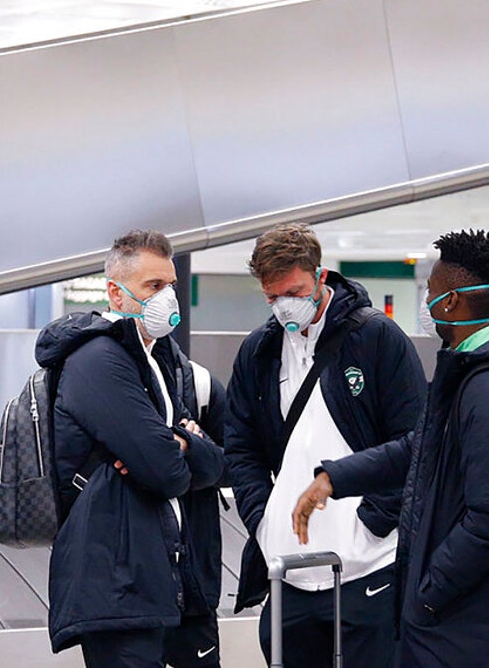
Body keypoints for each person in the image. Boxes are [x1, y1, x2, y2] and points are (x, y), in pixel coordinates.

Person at [292, 230, 489, 667]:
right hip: (480, 619)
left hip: (477, 628)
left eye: (431, 291)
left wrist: (428, 594)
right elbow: (422, 447)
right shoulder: (478, 372)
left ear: (451, 302)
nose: (426, 301)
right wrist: (337, 477)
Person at [223, 222, 426, 667]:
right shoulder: (259, 351)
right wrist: (261, 520)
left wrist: (373, 524)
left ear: (320, 276)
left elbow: (415, 441)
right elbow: (241, 448)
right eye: (272, 298)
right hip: (288, 574)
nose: (283, 306)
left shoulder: (376, 338)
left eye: (293, 292)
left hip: (368, 568)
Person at [38, 230, 226, 667]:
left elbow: (218, 461)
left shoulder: (160, 361)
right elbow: (167, 472)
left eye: (171, 286)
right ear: (115, 293)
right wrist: (182, 444)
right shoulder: (97, 361)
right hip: (121, 590)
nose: (167, 299)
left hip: (171, 580)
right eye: (153, 287)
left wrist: (184, 444)